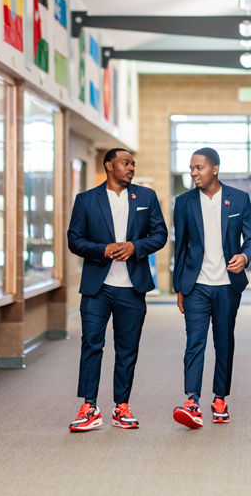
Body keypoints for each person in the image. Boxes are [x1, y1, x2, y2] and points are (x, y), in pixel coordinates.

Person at [66, 148, 168, 432]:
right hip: (97, 288)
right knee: (91, 346)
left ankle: (121, 408)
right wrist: (103, 249)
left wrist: (136, 247)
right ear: (109, 166)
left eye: (133, 164)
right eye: (125, 163)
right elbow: (74, 240)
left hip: (132, 288)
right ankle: (89, 406)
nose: (131, 168)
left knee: (127, 349)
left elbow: (160, 234)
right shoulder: (86, 200)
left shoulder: (146, 197)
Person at [171, 148, 251, 429]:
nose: (194, 173)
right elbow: (180, 246)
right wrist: (180, 287)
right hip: (196, 285)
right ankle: (192, 400)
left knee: (224, 342)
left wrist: (245, 257)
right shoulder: (184, 202)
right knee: (194, 342)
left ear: (215, 169)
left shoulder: (239, 199)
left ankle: (219, 398)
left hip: (227, 287)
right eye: (191, 168)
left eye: (199, 168)